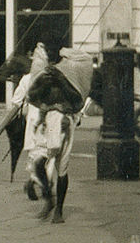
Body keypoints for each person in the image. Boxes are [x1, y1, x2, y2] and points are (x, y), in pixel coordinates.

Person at [23, 42, 96, 224]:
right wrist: (45, 85)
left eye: (54, 52)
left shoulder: (67, 71)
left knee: (62, 168)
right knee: (39, 162)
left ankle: (59, 211)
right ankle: (49, 198)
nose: (51, 56)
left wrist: (61, 80)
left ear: (60, 54)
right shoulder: (45, 73)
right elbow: (33, 96)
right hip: (47, 121)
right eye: (48, 53)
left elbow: (77, 99)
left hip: (64, 122)